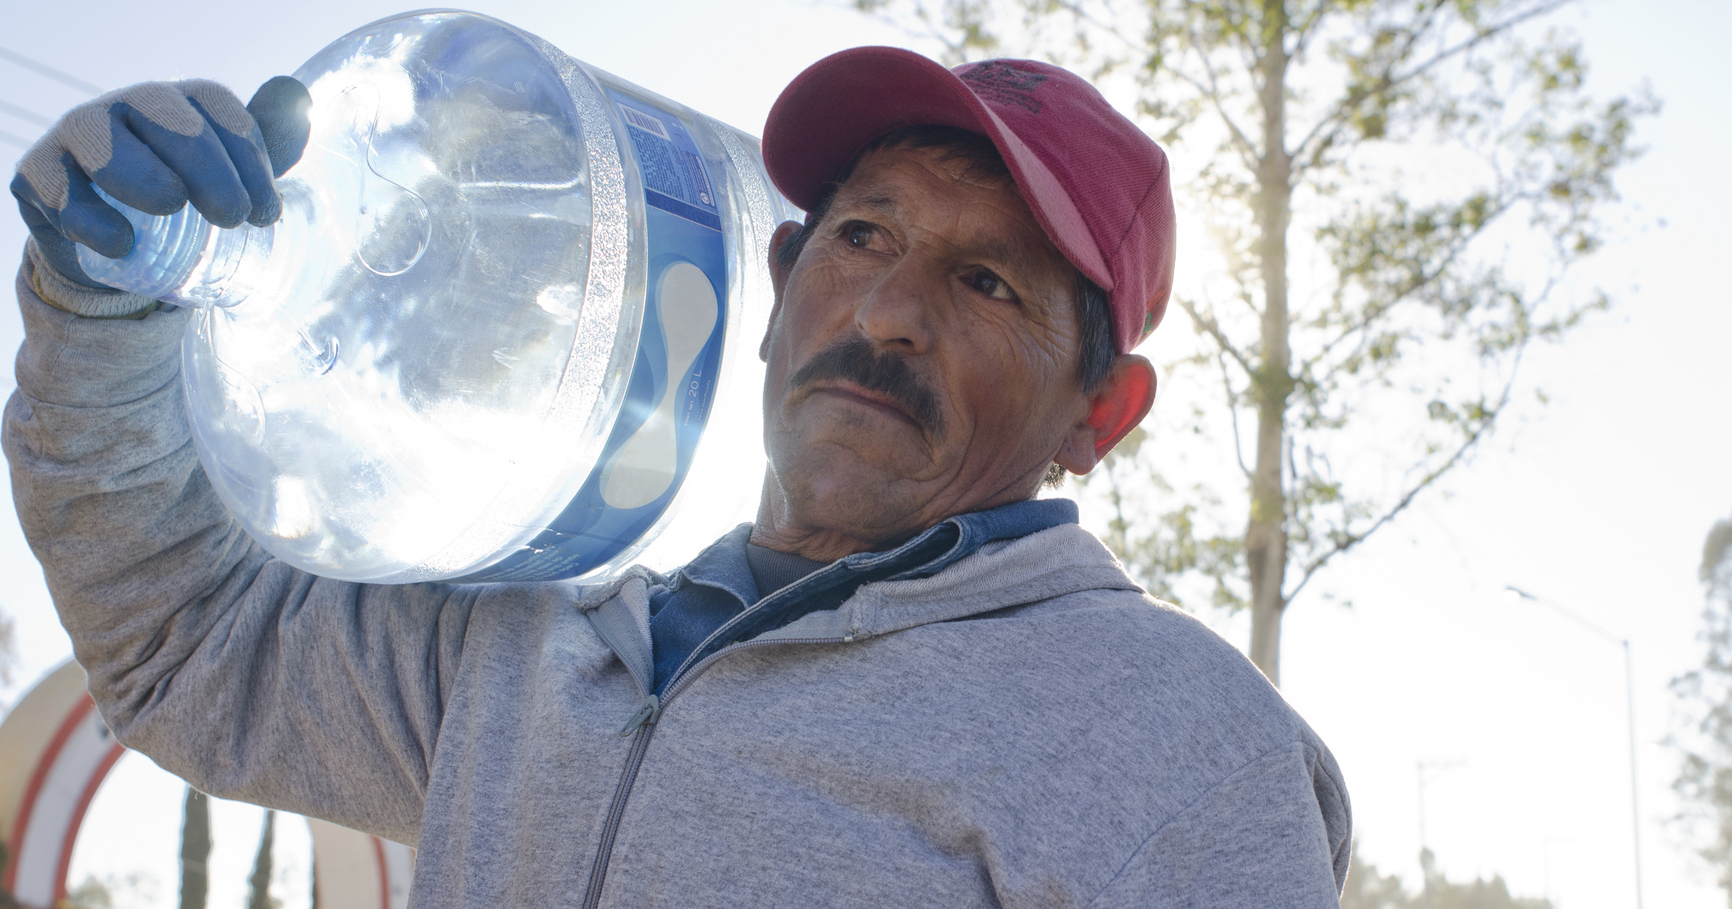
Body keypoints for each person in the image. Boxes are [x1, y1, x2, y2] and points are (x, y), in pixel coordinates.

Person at [7, 45, 1350, 906]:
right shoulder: (548, 648)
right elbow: (190, 649)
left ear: (1097, 413)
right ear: (773, 286)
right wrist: (104, 304)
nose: (884, 310)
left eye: (985, 279)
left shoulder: (1172, 741)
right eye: (861, 233)